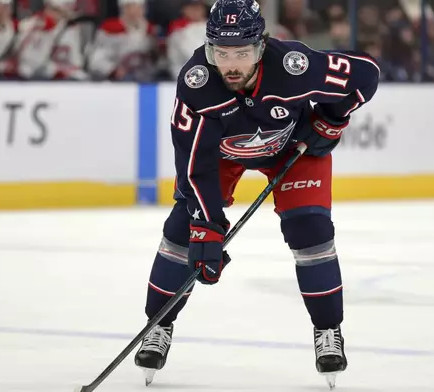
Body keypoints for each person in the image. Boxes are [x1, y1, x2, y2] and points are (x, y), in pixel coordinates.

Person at [134, 0, 380, 388]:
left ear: (262, 46)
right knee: (182, 231)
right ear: (209, 48)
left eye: (243, 53)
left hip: (292, 149)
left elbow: (366, 74)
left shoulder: (294, 67)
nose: (231, 64)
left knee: (311, 233)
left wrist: (333, 119)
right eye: (222, 53)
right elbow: (193, 166)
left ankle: (327, 330)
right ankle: (158, 325)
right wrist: (207, 225)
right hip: (221, 157)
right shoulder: (198, 83)